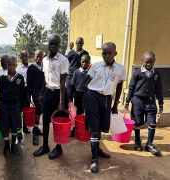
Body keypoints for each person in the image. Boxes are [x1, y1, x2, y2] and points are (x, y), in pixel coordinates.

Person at [83, 42, 126, 173]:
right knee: (94, 127)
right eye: (104, 53)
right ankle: (94, 158)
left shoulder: (120, 68)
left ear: (115, 54)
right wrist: (84, 100)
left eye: (109, 53)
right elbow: (87, 83)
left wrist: (115, 104)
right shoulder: (95, 66)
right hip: (92, 96)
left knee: (101, 126)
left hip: (107, 99)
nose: (106, 56)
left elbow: (119, 86)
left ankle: (97, 148)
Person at [33, 34, 70, 159]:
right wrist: (42, 93)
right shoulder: (45, 60)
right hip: (48, 93)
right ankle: (45, 146)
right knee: (46, 120)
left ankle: (58, 148)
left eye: (55, 44)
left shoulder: (63, 60)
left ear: (59, 45)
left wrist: (61, 102)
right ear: (48, 45)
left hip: (60, 94)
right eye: (51, 44)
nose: (53, 46)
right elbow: (45, 78)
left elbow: (62, 82)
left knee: (58, 122)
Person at [125, 51, 163, 156]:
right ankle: (137, 141)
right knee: (137, 123)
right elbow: (131, 88)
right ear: (142, 61)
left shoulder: (156, 74)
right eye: (147, 62)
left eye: (151, 62)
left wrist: (160, 103)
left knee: (152, 123)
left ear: (154, 61)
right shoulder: (137, 73)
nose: (149, 64)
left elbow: (159, 89)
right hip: (137, 101)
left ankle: (149, 144)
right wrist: (127, 101)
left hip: (150, 102)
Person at [0, 56, 25, 156]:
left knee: (14, 126)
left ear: (16, 65)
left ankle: (13, 144)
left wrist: (20, 107)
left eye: (13, 65)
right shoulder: (2, 78)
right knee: (5, 126)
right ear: (6, 65)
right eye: (10, 65)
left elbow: (22, 93)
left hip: (15, 105)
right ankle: (6, 145)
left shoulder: (20, 78)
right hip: (4, 105)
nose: (12, 67)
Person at [69, 54, 91, 137]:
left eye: (86, 62)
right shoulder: (76, 72)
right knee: (78, 113)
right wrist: (71, 96)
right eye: (83, 62)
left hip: (88, 96)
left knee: (88, 112)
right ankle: (76, 129)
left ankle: (86, 129)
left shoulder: (91, 73)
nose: (85, 64)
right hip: (78, 95)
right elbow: (72, 84)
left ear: (89, 62)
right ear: (80, 62)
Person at [26, 50, 44, 145]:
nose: (39, 58)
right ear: (34, 56)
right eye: (37, 56)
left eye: (40, 57)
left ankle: (36, 129)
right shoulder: (31, 68)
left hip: (44, 90)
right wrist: (28, 95)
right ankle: (35, 132)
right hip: (35, 91)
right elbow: (28, 83)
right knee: (39, 110)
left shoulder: (44, 67)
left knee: (41, 110)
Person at [16, 50, 31, 138]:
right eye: (23, 56)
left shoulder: (31, 68)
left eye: (26, 56)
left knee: (27, 109)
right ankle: (18, 129)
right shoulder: (18, 69)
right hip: (20, 90)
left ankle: (25, 126)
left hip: (28, 90)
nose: (25, 58)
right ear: (20, 58)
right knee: (19, 110)